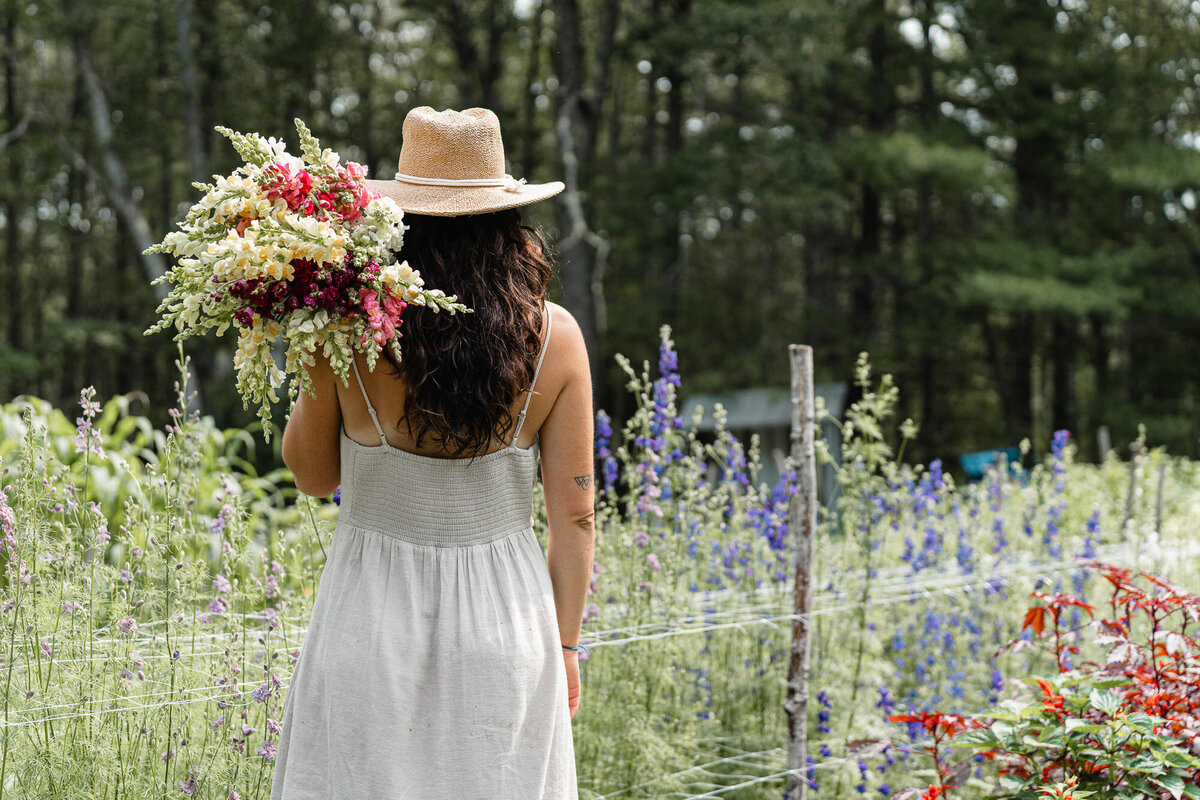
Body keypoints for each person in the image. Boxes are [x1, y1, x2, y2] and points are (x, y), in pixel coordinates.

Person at [271, 106, 594, 799]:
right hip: (505, 626)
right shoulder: (556, 338)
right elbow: (576, 518)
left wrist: (305, 340)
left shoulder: (351, 327)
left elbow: (311, 473)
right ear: (509, 218)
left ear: (400, 219)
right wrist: (565, 649)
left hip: (368, 619)